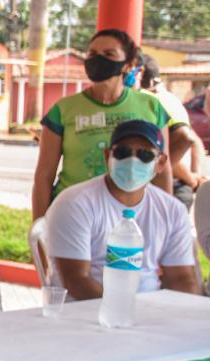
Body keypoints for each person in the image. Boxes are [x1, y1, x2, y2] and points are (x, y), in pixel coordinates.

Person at [32, 29, 188, 220]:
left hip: (133, 216)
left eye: (109, 54)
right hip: (74, 213)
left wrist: (166, 219)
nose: (98, 59)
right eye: (92, 53)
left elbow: (163, 171)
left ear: (128, 65)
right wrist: (39, 227)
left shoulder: (151, 106)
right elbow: (44, 176)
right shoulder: (63, 110)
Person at [45, 120, 200, 299]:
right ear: (107, 156)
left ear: (161, 163)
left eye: (145, 155)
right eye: (122, 152)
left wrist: (185, 314)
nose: (132, 161)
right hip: (86, 312)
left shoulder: (172, 210)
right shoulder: (74, 204)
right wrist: (124, 312)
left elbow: (181, 279)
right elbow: (77, 282)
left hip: (150, 313)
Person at [137, 53, 204, 206]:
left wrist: (190, 179)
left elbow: (182, 139)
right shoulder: (169, 98)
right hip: (179, 185)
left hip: (172, 186)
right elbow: (195, 140)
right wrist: (195, 174)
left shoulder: (155, 101)